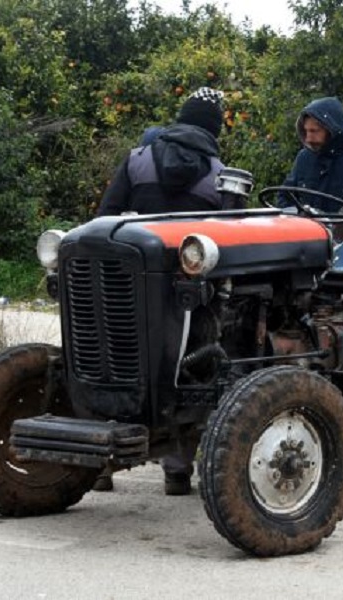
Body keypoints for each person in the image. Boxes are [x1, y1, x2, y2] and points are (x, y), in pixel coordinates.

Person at [92, 88, 227, 496]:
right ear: (213, 128)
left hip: (125, 288)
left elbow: (104, 220)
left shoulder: (137, 159)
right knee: (187, 372)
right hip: (186, 296)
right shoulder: (218, 172)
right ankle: (176, 470)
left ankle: (101, 466)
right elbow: (221, 242)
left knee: (115, 366)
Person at [96, 87, 226, 217]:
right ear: (215, 130)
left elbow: (105, 219)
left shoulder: (136, 161)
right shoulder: (221, 179)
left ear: (182, 119)